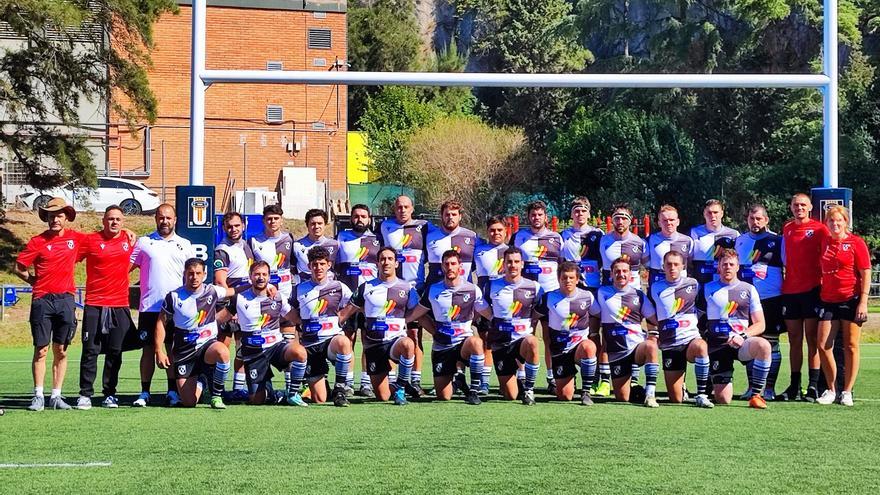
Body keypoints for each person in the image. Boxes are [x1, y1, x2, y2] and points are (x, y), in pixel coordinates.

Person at [15, 198, 85, 411]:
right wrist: (33, 281)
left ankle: (56, 396)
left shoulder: (76, 239)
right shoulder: (37, 241)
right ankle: (38, 395)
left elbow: (102, 239)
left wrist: (127, 230)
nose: (55, 219)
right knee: (41, 349)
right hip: (42, 300)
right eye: (51, 215)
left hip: (65, 299)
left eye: (59, 215)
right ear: (46, 218)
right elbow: (20, 267)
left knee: (61, 350)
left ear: (66, 218)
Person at [130, 203, 196, 407]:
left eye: (168, 218)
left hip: (176, 308)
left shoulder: (185, 244)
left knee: (173, 349)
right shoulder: (144, 242)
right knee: (148, 350)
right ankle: (144, 392)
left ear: (175, 219)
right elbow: (124, 268)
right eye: (161, 217)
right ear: (155, 219)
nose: (164, 221)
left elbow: (194, 276)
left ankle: (172, 391)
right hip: (150, 307)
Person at [218, 260, 310, 407]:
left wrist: (309, 322)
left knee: (299, 352)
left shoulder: (277, 297)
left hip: (275, 347)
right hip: (253, 353)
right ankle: (275, 395)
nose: (260, 277)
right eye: (257, 274)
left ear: (269, 277)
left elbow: (295, 317)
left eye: (264, 274)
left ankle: (292, 394)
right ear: (250, 276)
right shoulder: (239, 298)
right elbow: (220, 318)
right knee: (257, 400)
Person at [155, 258, 242, 409]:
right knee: (189, 403)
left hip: (207, 345)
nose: (194, 277)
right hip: (184, 351)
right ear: (185, 274)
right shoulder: (174, 297)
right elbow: (160, 323)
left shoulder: (212, 290)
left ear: (204, 274)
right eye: (190, 273)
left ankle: (216, 396)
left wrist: (265, 287)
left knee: (223, 351)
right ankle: (201, 380)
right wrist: (159, 351)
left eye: (198, 273)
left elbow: (235, 291)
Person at [75, 206, 140, 410]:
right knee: (90, 350)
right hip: (94, 303)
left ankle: (110, 394)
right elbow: (70, 260)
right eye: (110, 218)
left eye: (118, 219)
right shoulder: (90, 240)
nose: (114, 222)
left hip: (119, 304)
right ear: (103, 220)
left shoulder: (129, 241)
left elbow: (140, 261)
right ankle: (85, 394)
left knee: (115, 351)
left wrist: (130, 233)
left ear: (123, 221)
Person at [338, 247, 420, 405]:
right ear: (377, 263)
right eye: (382, 259)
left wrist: (434, 331)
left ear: (396, 263)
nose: (386, 262)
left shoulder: (407, 288)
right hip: (374, 346)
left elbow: (419, 313)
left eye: (390, 259)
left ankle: (401, 387)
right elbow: (345, 313)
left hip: (396, 341)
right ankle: (393, 385)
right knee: (383, 396)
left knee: (408, 344)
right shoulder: (366, 287)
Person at [409, 249, 488, 405]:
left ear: (460, 267)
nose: (450, 267)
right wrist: (433, 331)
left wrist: (470, 320)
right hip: (442, 346)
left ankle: (474, 391)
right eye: (447, 264)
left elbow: (486, 312)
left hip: (463, 343)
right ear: (442, 267)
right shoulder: (433, 290)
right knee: (443, 396)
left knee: (476, 342)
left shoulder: (472, 289)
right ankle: (458, 381)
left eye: (453, 264)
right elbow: (418, 314)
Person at [815, 206, 870, 407]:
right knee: (823, 345)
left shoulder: (856, 242)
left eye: (839, 220)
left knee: (851, 346)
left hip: (851, 298)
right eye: (831, 221)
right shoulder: (825, 241)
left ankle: (847, 391)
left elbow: (865, 272)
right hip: (827, 299)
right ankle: (831, 389)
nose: (835, 224)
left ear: (846, 222)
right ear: (827, 223)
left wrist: (863, 301)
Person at [286, 247, 354, 407]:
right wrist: (301, 323)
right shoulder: (299, 289)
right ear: (309, 266)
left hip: (331, 341)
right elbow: (290, 311)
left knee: (344, 342)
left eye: (322, 264)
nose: (318, 268)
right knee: (320, 399)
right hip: (310, 345)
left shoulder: (339, 287)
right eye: (315, 264)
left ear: (329, 265)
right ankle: (323, 382)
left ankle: (340, 390)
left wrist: (343, 315)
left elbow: (355, 303)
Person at [704, 249, 771, 409]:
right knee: (723, 399)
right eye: (724, 264)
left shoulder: (749, 289)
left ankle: (756, 395)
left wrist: (743, 335)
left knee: (764, 346)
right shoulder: (707, 289)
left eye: (731, 264)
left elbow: (760, 324)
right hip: (718, 346)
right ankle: (714, 380)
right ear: (718, 267)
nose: (728, 267)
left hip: (741, 343)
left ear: (738, 267)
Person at [779, 193, 829, 401]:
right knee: (794, 340)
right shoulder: (788, 228)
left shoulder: (819, 229)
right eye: (795, 205)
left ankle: (813, 386)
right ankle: (794, 386)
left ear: (810, 207)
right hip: (790, 290)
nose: (799, 208)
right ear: (791, 207)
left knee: (812, 339)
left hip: (812, 290)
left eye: (802, 205)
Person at [560, 197, 610, 397]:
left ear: (589, 214)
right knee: (571, 331)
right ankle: (568, 373)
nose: (580, 214)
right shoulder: (564, 235)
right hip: (571, 291)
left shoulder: (599, 234)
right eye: (576, 211)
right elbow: (560, 263)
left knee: (594, 334)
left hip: (593, 290)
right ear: (571, 214)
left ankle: (598, 376)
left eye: (583, 211)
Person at [650, 251, 713, 408]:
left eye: (676, 264)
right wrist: (653, 333)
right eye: (669, 264)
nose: (672, 267)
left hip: (690, 339)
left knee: (701, 346)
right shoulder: (655, 288)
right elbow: (650, 314)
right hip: (670, 344)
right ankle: (682, 388)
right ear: (663, 266)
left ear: (683, 266)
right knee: (676, 399)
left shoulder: (694, 284)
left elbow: (704, 308)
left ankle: (702, 394)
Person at [379, 195, 430, 393]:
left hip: (414, 289)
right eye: (399, 207)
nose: (402, 210)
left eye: (406, 207)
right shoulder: (384, 226)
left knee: (414, 335)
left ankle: (414, 380)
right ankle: (392, 379)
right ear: (394, 208)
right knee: (390, 335)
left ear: (412, 209)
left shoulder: (424, 227)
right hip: (390, 289)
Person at [481, 247, 543, 406]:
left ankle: (529, 389)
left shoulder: (535, 287)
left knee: (532, 342)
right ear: (503, 263)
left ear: (522, 264)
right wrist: (493, 319)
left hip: (521, 341)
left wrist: (530, 323)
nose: (513, 265)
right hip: (501, 344)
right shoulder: (491, 286)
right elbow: (480, 305)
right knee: (510, 395)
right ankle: (515, 377)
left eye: (516, 262)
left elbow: (539, 309)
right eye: (509, 262)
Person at [734, 204, 784, 400]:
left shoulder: (777, 240)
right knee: (750, 343)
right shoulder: (740, 241)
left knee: (772, 344)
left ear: (766, 220)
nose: (755, 223)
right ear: (747, 220)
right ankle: (753, 388)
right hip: (746, 300)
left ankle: (769, 389)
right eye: (752, 219)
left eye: (759, 219)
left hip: (771, 298)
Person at [596, 258, 661, 408]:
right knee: (623, 398)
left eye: (625, 271)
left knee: (651, 346)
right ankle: (639, 391)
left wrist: (658, 333)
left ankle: (650, 395)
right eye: (617, 271)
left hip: (636, 347)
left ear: (630, 274)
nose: (621, 274)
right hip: (617, 352)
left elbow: (654, 319)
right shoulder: (601, 292)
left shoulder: (639, 295)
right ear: (611, 274)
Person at [513, 200, 563, 394]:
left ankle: (551, 377)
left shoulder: (556, 238)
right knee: (524, 336)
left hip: (550, 293)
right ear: (528, 217)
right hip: (526, 293)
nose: (536, 218)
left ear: (546, 217)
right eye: (533, 215)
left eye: (540, 215)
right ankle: (521, 376)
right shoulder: (519, 237)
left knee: (550, 337)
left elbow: (563, 263)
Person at [535, 261, 600, 406]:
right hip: (560, 351)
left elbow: (598, 314)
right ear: (558, 279)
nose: (568, 281)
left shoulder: (588, 296)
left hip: (579, 347)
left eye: (571, 278)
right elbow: (534, 316)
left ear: (577, 279)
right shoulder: (548, 297)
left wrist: (594, 333)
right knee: (565, 396)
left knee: (589, 346)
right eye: (564, 278)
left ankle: (586, 392)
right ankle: (570, 377)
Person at [599, 205, 648, 394]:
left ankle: (634, 378)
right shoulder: (603, 240)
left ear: (630, 220)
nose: (620, 222)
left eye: (624, 218)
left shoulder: (639, 242)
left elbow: (647, 265)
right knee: (607, 333)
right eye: (617, 218)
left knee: (634, 334)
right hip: (609, 292)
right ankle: (604, 379)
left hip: (633, 294)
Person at [336, 203, 381, 398]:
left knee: (368, 341)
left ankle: (366, 383)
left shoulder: (378, 239)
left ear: (369, 219)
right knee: (348, 340)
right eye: (356, 216)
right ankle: (346, 382)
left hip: (371, 299)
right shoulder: (341, 238)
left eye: (363, 216)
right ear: (350, 218)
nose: (359, 219)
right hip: (348, 299)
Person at [214, 211, 255, 401]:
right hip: (228, 305)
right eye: (229, 226)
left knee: (242, 347)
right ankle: (216, 389)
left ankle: (238, 388)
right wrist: (233, 307)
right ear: (224, 228)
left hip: (244, 303)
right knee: (222, 347)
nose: (233, 229)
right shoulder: (222, 250)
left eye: (237, 225)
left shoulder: (246, 245)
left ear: (243, 226)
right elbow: (221, 282)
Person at [473, 215, 510, 395]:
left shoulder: (513, 252)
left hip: (506, 303)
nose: (496, 233)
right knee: (486, 342)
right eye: (492, 230)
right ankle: (484, 383)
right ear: (487, 232)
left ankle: (515, 379)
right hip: (484, 303)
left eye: (499, 230)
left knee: (510, 342)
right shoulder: (478, 250)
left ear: (506, 231)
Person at [425, 200, 477, 287]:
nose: (450, 217)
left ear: (460, 216)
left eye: (454, 214)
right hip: (435, 292)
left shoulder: (472, 236)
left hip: (464, 292)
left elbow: (478, 262)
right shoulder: (429, 237)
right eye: (447, 214)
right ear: (442, 216)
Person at [646, 205, 693, 288]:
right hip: (657, 286)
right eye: (665, 220)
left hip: (680, 287)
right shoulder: (650, 240)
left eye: (672, 220)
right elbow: (645, 262)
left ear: (678, 222)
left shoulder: (687, 241)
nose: (668, 223)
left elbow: (690, 262)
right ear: (659, 223)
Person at [292, 208, 339, 283]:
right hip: (304, 289)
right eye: (313, 224)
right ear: (307, 225)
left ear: (325, 225)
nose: (316, 226)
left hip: (327, 289)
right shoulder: (296, 246)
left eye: (320, 223)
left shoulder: (335, 245)